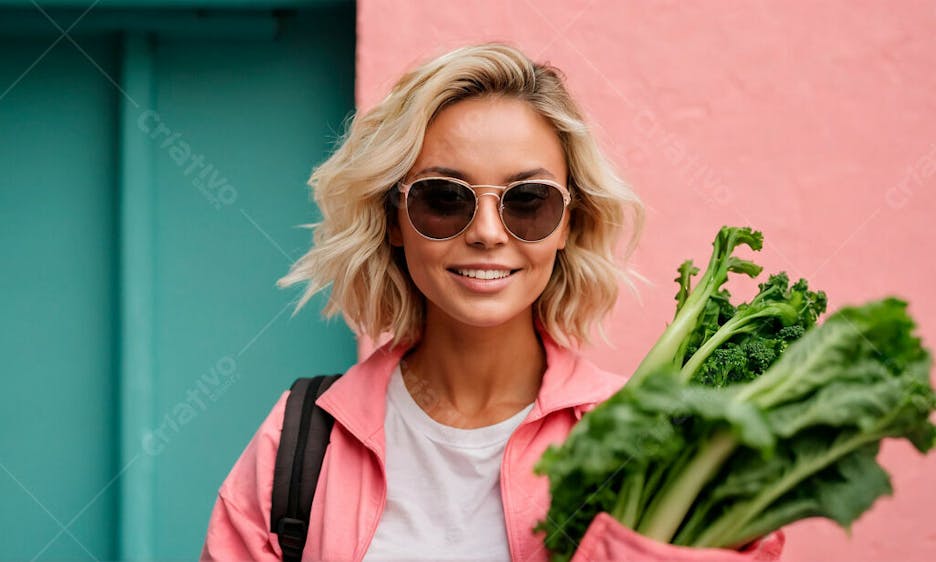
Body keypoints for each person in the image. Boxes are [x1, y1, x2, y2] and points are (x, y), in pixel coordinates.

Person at [200, 43, 783, 562]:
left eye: (527, 200)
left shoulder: (653, 443)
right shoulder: (302, 438)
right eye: (443, 199)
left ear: (567, 225)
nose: (485, 232)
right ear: (394, 220)